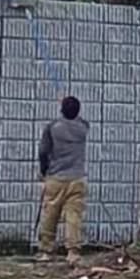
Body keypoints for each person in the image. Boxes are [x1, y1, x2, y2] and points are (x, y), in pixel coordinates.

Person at [36, 95, 89, 265]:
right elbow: (78, 119)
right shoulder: (83, 128)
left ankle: (46, 250)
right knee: (74, 217)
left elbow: (44, 152)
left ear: (61, 110)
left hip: (56, 177)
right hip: (77, 178)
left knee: (51, 213)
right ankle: (73, 252)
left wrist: (44, 172)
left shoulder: (52, 127)